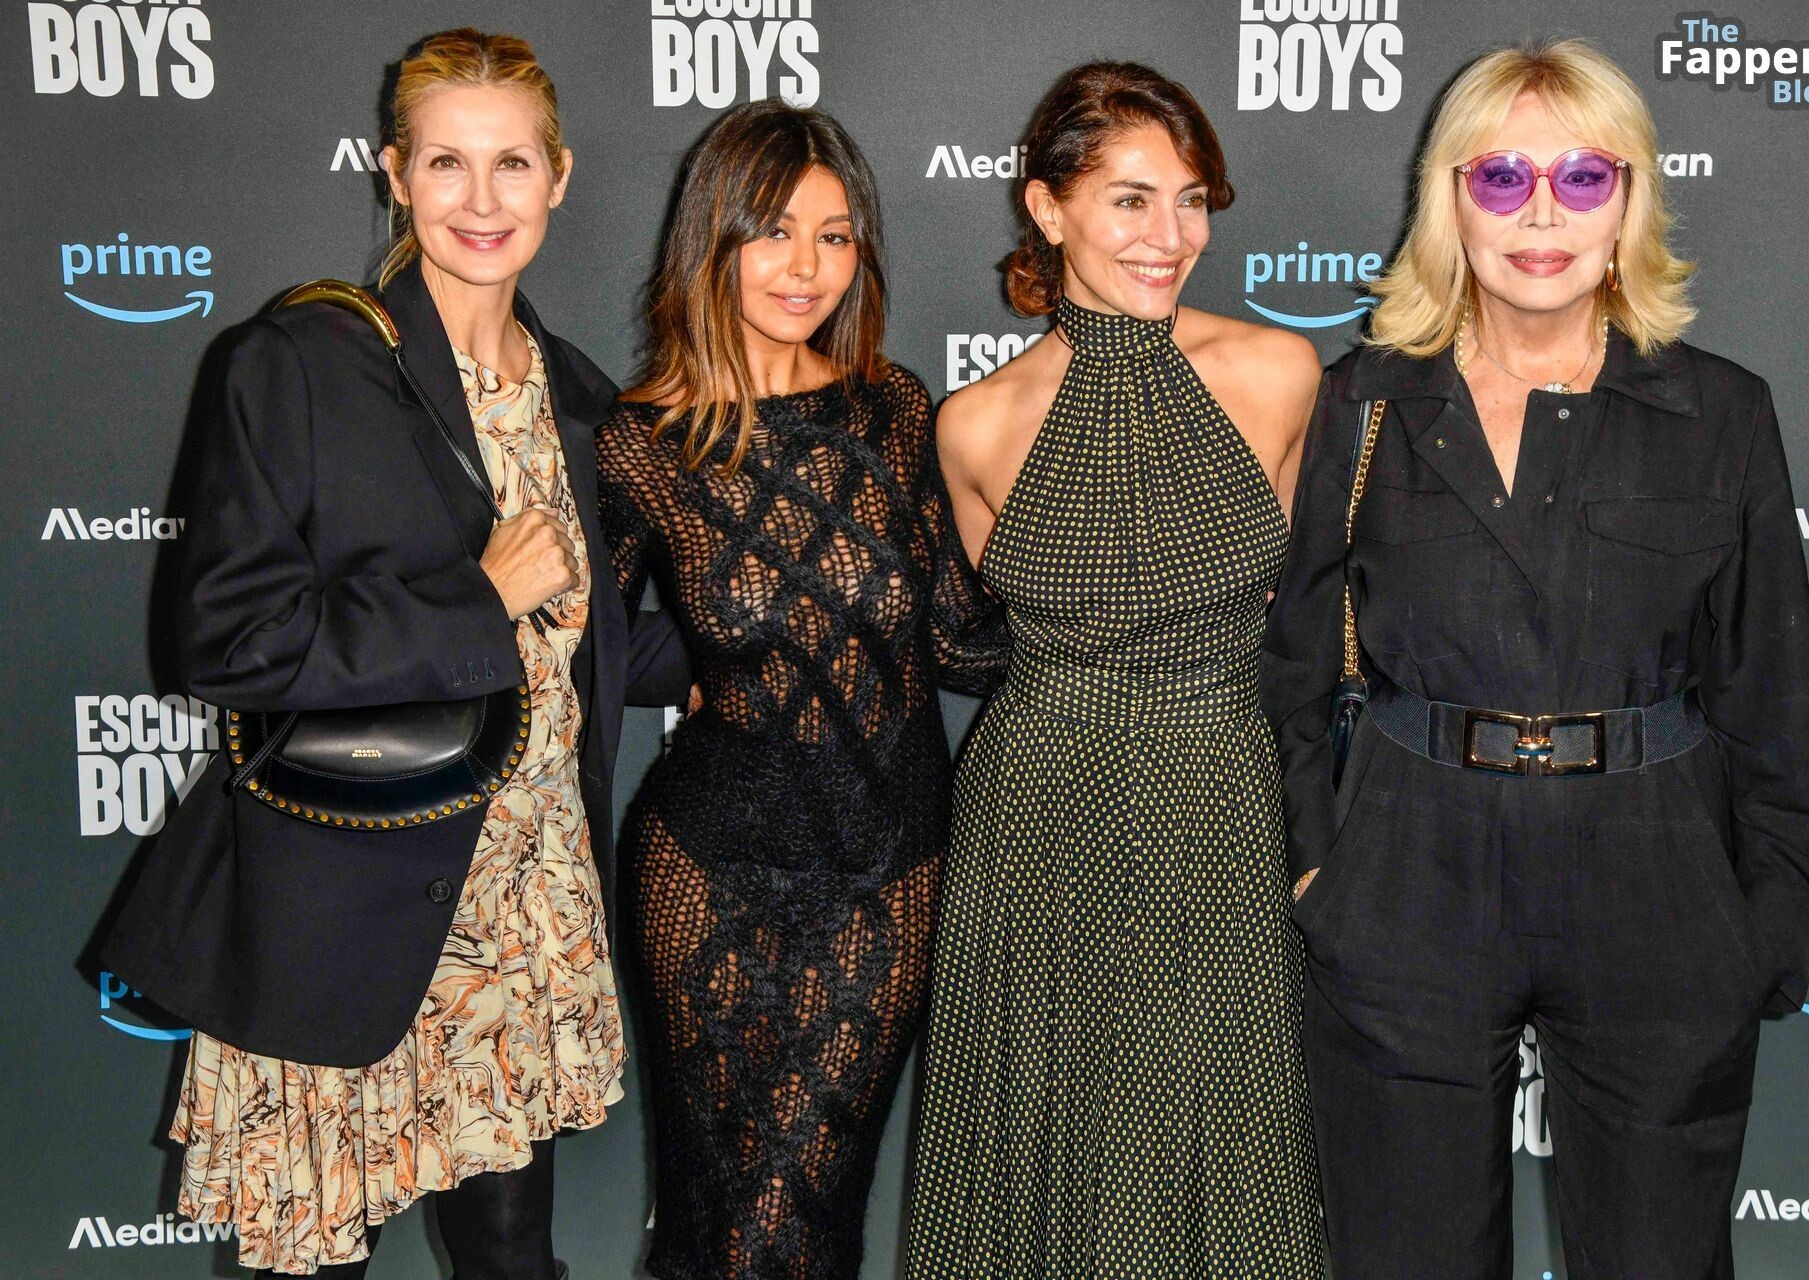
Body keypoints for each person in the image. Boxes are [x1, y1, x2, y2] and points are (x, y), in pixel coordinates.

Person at [1263, 39, 1809, 1280]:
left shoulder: (1722, 412)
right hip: (1410, 868)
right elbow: (1294, 667)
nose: (1542, 213)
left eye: (1583, 177)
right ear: (1451, 200)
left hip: (1656, 871)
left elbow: (1778, 692)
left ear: (1629, 200)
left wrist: (1759, 924)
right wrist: (1322, 870)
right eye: (1502, 177)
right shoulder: (1360, 403)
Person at [99, 29, 688, 1278]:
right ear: (394, 172)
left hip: (524, 907)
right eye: (445, 162)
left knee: (513, 1255)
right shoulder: (300, 363)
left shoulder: (583, 399)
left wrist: (772, 651)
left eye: (512, 163)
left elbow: (591, 643)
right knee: (315, 1261)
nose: (482, 199)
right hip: (344, 898)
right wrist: (477, 598)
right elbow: (230, 642)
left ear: (560, 177)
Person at [906, 62, 1326, 1278]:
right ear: (1048, 209)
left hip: (1220, 796)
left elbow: (1303, 627)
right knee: (1040, 1141)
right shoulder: (973, 424)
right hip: (1037, 813)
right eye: (1131, 200)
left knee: (1222, 1138)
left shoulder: (1281, 374)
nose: (1170, 236)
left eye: (1191, 202)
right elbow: (994, 636)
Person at [596, 100, 1006, 1280]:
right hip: (709, 862)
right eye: (773, 231)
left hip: (886, 869)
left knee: (801, 1222)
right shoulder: (640, 442)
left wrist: (1087, 569)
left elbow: (964, 647)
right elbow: (587, 658)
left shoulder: (894, 409)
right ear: (712, 237)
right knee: (709, 1218)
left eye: (834, 237)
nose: (806, 267)